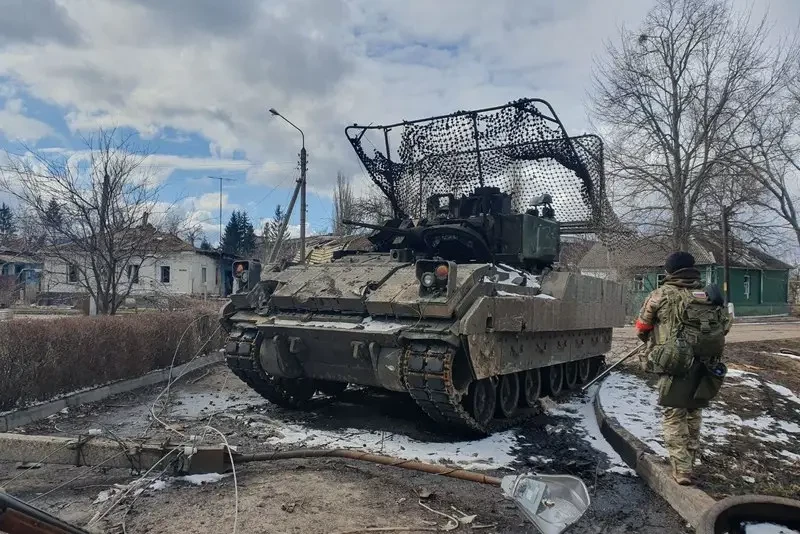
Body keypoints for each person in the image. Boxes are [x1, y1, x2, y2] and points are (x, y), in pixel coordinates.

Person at [635, 251, 731, 485]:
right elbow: (725, 327)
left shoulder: (660, 295)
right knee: (694, 411)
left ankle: (682, 470)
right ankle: (690, 461)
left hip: (675, 363)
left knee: (674, 414)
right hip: (706, 363)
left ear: (669, 271)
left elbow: (641, 327)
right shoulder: (710, 295)